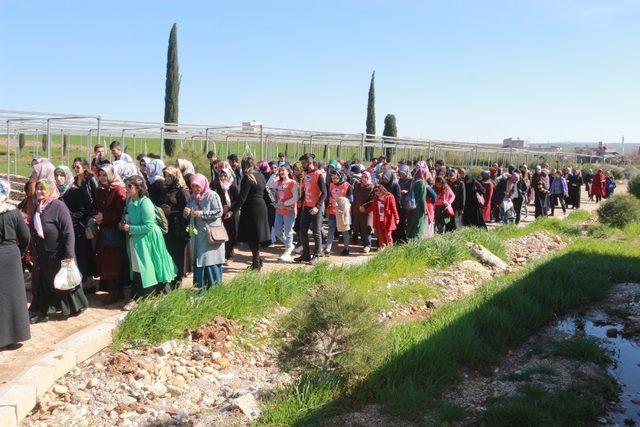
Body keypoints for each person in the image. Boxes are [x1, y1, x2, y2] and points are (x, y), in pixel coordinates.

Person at [29, 179, 88, 323]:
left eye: (43, 189)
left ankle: (73, 307)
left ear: (50, 190)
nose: (39, 192)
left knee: (63, 281)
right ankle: (45, 310)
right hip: (43, 254)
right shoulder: (38, 207)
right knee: (46, 282)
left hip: (58, 253)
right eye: (38, 189)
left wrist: (69, 255)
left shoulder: (58, 206)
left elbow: (68, 232)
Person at [121, 176, 176, 306]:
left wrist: (131, 228)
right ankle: (139, 295)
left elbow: (149, 226)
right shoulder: (129, 200)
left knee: (150, 266)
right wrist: (124, 223)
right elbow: (127, 215)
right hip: (136, 239)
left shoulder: (145, 203)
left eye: (129, 186)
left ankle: (149, 295)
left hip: (148, 239)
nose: (126, 189)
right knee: (137, 267)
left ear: (138, 188)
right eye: (126, 186)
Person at [0, 179, 31, 348]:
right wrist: (18, 252)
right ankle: (16, 336)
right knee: (15, 297)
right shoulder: (13, 212)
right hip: (11, 256)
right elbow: (26, 236)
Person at [93, 164, 129, 305]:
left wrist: (105, 217)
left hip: (114, 231)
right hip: (103, 230)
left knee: (113, 262)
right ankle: (114, 291)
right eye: (100, 175)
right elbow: (95, 206)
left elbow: (121, 212)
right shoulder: (100, 190)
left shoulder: (118, 190)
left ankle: (115, 292)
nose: (102, 178)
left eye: (104, 175)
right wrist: (96, 215)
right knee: (105, 260)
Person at [185, 174, 225, 289]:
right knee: (199, 260)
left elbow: (219, 212)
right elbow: (189, 210)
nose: (196, 189)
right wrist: (187, 212)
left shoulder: (212, 195)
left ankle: (213, 290)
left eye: (198, 186)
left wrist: (202, 213)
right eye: (193, 186)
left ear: (203, 184)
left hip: (210, 235)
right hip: (197, 235)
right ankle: (200, 289)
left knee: (210, 260)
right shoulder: (192, 197)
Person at [231, 157, 271, 270]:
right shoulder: (261, 176)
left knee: (252, 237)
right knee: (256, 236)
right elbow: (266, 193)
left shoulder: (247, 178)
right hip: (261, 207)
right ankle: (257, 260)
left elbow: (242, 198)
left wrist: (232, 211)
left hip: (251, 209)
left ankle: (256, 263)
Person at [59, 161, 95, 285]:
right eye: (73, 166)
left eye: (61, 175)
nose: (58, 178)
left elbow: (83, 208)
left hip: (79, 225)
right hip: (65, 226)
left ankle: (82, 278)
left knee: (81, 252)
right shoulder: (57, 190)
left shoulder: (75, 189)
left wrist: (70, 219)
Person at [160, 167, 191, 289]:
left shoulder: (182, 191)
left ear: (175, 176)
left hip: (178, 227)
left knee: (179, 254)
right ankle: (171, 277)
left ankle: (178, 279)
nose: (166, 179)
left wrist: (171, 211)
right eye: (165, 176)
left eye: (169, 176)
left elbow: (187, 210)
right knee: (170, 252)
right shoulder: (166, 189)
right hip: (168, 226)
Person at [295, 154, 327, 264]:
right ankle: (306, 254)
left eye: (303, 163)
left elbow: (324, 193)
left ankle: (317, 255)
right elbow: (305, 189)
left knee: (316, 232)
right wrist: (301, 199)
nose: (302, 166)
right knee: (302, 230)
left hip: (316, 208)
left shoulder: (319, 175)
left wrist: (317, 207)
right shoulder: (305, 174)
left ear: (309, 162)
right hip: (306, 207)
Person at [212, 166, 240, 263]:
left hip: (232, 213)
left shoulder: (233, 186)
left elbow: (238, 200)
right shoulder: (218, 186)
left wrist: (229, 208)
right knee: (222, 233)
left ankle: (230, 255)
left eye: (225, 176)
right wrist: (221, 207)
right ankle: (224, 254)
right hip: (221, 212)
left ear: (229, 176)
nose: (223, 178)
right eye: (221, 175)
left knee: (231, 234)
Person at [271, 165, 298, 261]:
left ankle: (287, 251)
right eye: (280, 170)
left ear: (288, 171)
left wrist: (284, 203)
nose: (281, 172)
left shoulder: (292, 183)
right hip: (279, 210)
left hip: (289, 210)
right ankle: (290, 245)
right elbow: (268, 186)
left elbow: (295, 198)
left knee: (288, 231)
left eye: (283, 170)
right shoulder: (278, 182)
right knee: (277, 231)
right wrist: (274, 174)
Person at [325, 170, 352, 256]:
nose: (334, 180)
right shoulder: (331, 185)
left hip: (342, 212)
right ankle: (327, 248)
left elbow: (351, 199)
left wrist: (341, 200)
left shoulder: (347, 185)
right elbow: (329, 196)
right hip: (333, 211)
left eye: (336, 178)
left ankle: (346, 248)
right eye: (332, 178)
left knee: (344, 230)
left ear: (340, 177)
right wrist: (330, 200)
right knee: (331, 230)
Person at [351, 171, 374, 253]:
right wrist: (353, 207)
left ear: (368, 178)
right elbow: (355, 197)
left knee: (367, 227)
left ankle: (367, 245)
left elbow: (373, 200)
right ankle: (363, 244)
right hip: (357, 210)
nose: (363, 179)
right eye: (362, 177)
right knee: (359, 226)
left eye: (365, 177)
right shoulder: (357, 186)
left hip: (367, 211)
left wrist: (365, 206)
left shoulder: (371, 187)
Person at [406, 167, 429, 239]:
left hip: (413, 207)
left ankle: (409, 238)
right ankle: (416, 241)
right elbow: (422, 198)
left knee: (412, 223)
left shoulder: (414, 182)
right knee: (418, 224)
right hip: (419, 207)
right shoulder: (421, 183)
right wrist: (424, 209)